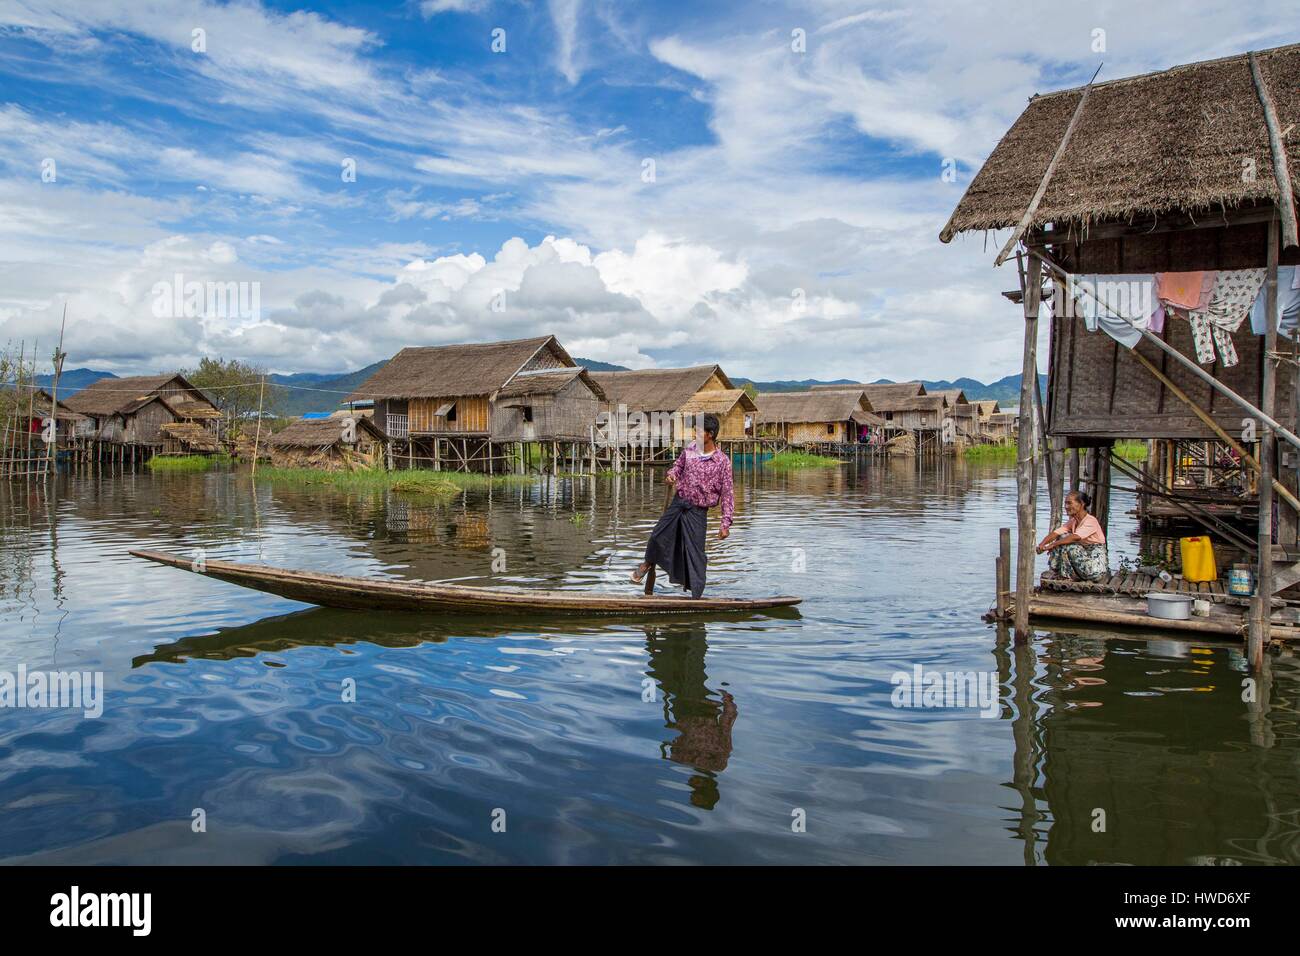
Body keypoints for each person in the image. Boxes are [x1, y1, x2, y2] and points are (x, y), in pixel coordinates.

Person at [631, 413, 734, 598]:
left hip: (697, 511)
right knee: (657, 536)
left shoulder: (722, 462)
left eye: (699, 430)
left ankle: (696, 597)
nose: (695, 433)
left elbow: (727, 493)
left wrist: (725, 523)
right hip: (678, 503)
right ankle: (647, 564)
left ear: (710, 434)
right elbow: (677, 467)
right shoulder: (691, 449)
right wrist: (672, 475)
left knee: (696, 556)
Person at [1036, 490, 1109, 582]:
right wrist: (1042, 545)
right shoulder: (1073, 521)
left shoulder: (1091, 521)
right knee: (1062, 538)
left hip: (1095, 570)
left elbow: (1075, 537)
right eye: (1065, 503)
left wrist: (1052, 545)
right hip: (1084, 563)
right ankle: (1055, 571)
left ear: (1081, 504)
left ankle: (1065, 576)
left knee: (1068, 544)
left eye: (1069, 503)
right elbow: (1056, 533)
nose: (1066, 507)